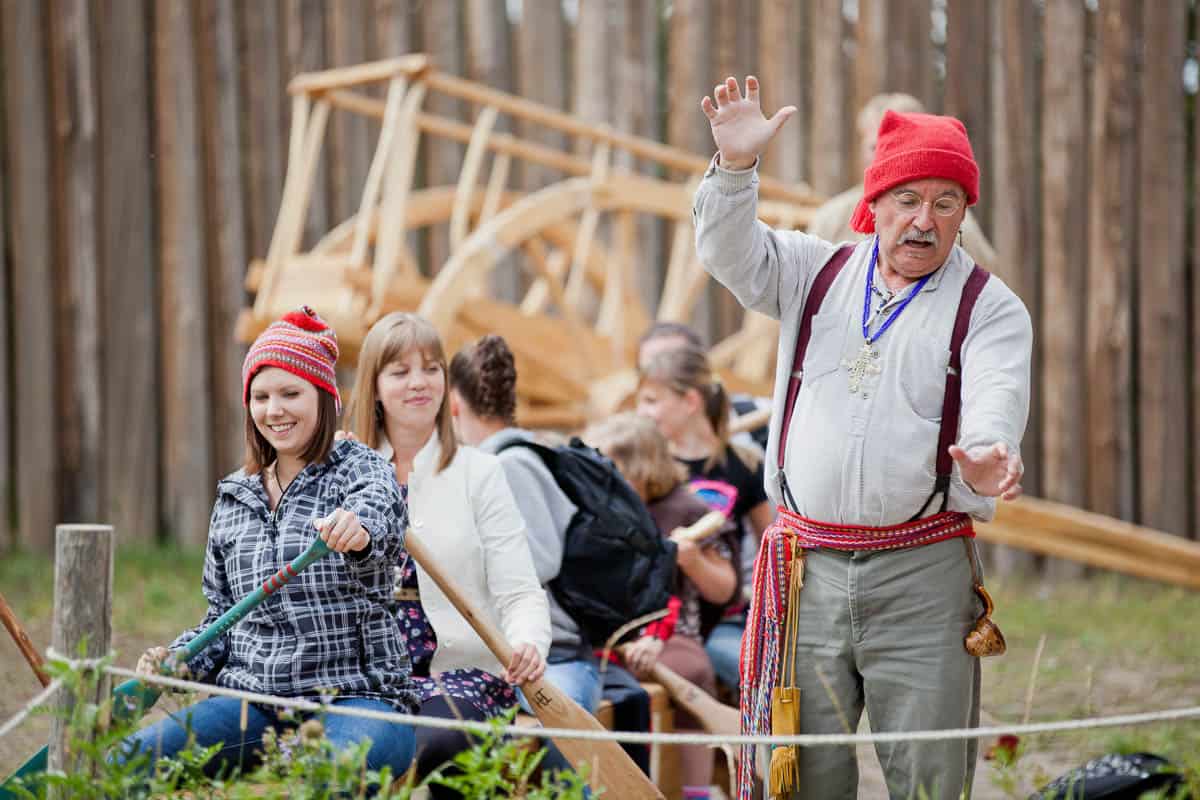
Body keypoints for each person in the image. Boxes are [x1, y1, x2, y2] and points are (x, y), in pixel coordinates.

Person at [697, 75, 1032, 800]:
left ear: (964, 214)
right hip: (806, 573)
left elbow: (995, 397)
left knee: (928, 779)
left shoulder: (991, 308)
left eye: (946, 204)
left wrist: (988, 452)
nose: (924, 221)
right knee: (804, 778)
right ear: (872, 204)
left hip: (921, 578)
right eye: (908, 200)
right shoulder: (814, 271)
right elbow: (728, 252)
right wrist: (734, 170)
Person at [124, 306, 416, 784]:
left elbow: (378, 515)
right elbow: (223, 620)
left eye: (290, 393)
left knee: (328, 777)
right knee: (126, 763)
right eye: (260, 396)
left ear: (324, 397)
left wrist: (357, 531)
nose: (273, 409)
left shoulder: (361, 469)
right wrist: (174, 660)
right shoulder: (234, 495)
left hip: (358, 699)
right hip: (253, 704)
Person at [343, 312, 551, 795]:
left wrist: (527, 645)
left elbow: (520, 591)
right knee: (338, 749)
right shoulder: (345, 473)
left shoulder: (481, 473)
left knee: (446, 741)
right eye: (400, 372)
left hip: (460, 674)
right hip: (363, 675)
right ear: (373, 387)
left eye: (431, 368)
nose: (419, 383)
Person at [583, 412, 739, 800]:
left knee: (692, 669)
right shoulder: (598, 511)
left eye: (612, 472)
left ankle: (696, 791)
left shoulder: (688, 511)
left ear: (643, 468)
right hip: (610, 631)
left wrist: (693, 561)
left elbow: (725, 589)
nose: (602, 483)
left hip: (673, 632)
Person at [446, 334, 601, 714]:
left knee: (558, 722)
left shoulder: (509, 466)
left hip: (553, 653)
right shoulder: (500, 460)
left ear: (452, 403)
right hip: (503, 653)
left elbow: (536, 565)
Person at [636, 344, 773, 691]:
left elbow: (769, 546)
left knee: (759, 675)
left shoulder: (743, 464)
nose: (642, 412)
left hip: (724, 619)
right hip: (663, 621)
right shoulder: (648, 468)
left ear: (690, 402)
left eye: (652, 401)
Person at [806, 92, 998, 270]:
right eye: (875, 147)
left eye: (897, 150)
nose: (884, 159)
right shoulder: (831, 219)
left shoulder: (957, 229)